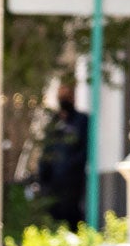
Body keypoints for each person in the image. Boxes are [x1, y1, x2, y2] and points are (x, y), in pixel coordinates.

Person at [34, 80, 90, 228]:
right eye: (61, 95)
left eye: (67, 95)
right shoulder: (53, 122)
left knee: (71, 214)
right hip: (53, 182)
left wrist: (71, 167)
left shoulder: (82, 121)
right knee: (53, 215)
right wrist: (43, 175)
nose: (64, 99)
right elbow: (46, 149)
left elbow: (85, 149)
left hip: (73, 181)